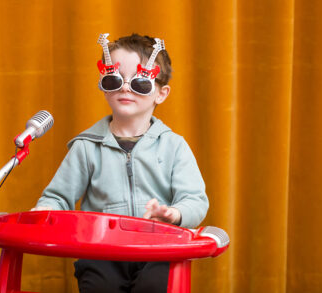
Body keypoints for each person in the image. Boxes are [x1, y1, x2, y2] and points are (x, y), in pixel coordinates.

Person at [31, 33, 209, 293]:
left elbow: (195, 200)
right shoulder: (86, 147)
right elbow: (57, 198)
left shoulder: (175, 146)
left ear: (161, 93)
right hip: (101, 253)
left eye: (140, 83)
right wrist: (42, 213)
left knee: (156, 285)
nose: (125, 88)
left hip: (160, 251)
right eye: (114, 80)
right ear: (103, 85)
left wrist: (176, 214)